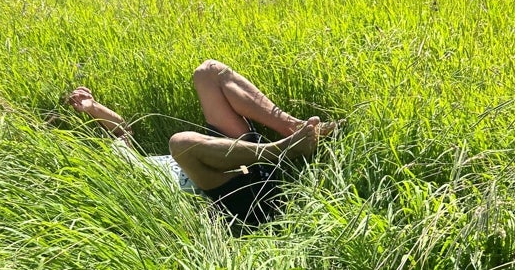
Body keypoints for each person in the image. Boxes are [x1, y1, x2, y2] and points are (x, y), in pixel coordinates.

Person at [67, 59, 339, 230]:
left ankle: (302, 130)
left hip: (242, 162)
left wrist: (93, 107)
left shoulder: (122, 158)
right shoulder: (122, 192)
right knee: (180, 143)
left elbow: (122, 133)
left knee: (208, 73)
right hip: (236, 199)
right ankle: (283, 151)